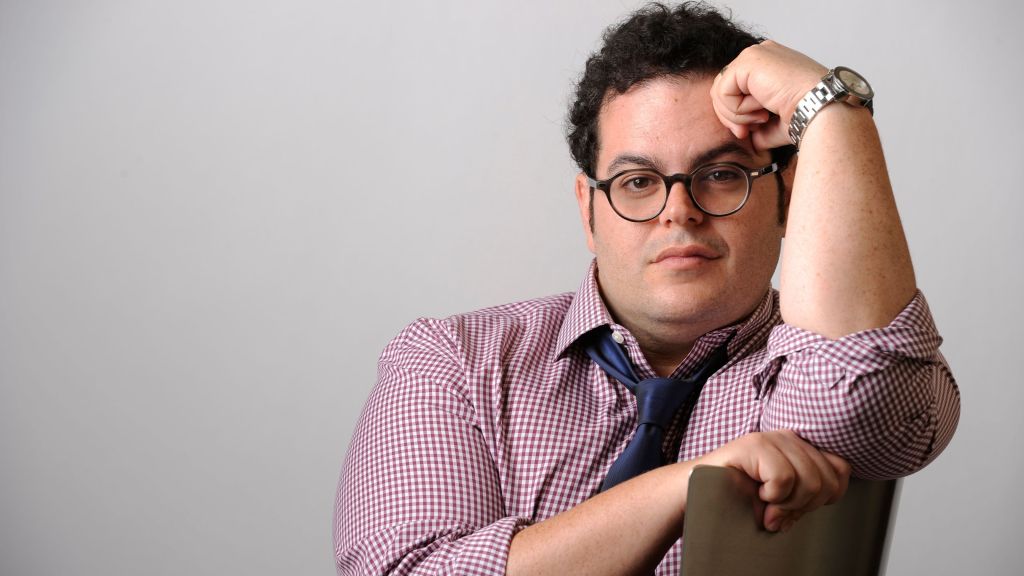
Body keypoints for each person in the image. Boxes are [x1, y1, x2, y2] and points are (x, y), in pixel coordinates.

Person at [333, 3, 960, 575]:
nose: (679, 212)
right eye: (637, 182)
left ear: (789, 195)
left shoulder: (820, 366)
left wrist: (831, 111)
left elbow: (859, 403)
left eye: (721, 174)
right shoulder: (453, 361)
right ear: (588, 211)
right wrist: (685, 487)